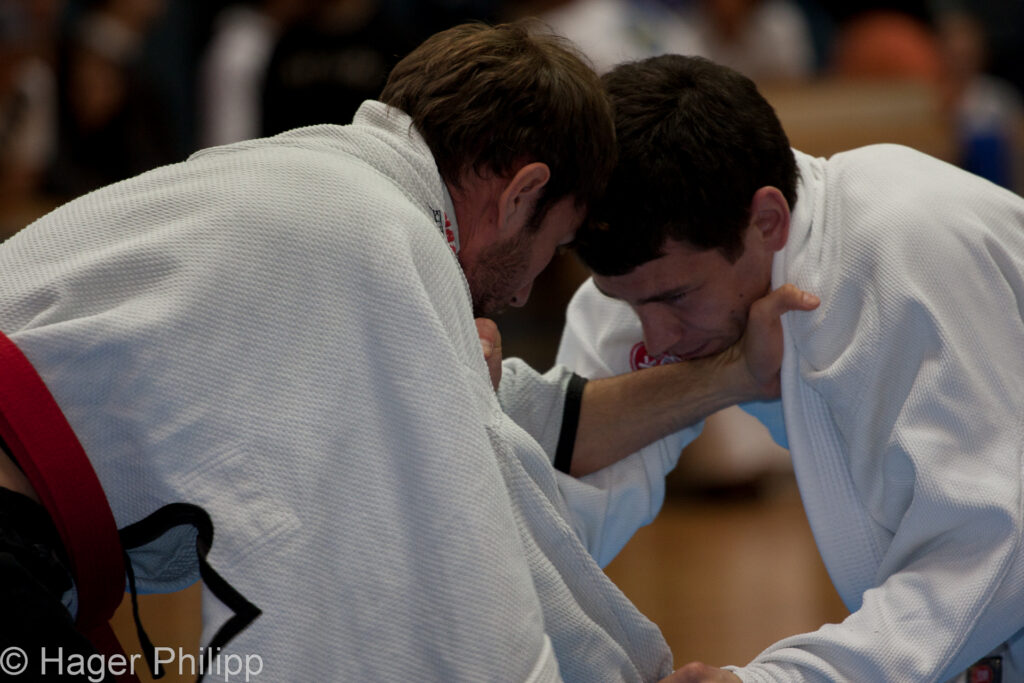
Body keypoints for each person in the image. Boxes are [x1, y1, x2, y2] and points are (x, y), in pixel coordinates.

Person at [0, 22, 816, 682]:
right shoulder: (381, 237)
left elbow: (522, 420)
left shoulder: (325, 184)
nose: (528, 291)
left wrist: (735, 374)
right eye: (553, 246)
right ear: (523, 193)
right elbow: (490, 536)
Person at [557, 52, 1024, 682]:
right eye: (627, 303)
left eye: (674, 300)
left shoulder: (902, 248)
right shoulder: (654, 277)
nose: (656, 338)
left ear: (768, 221)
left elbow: (988, 550)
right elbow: (558, 516)